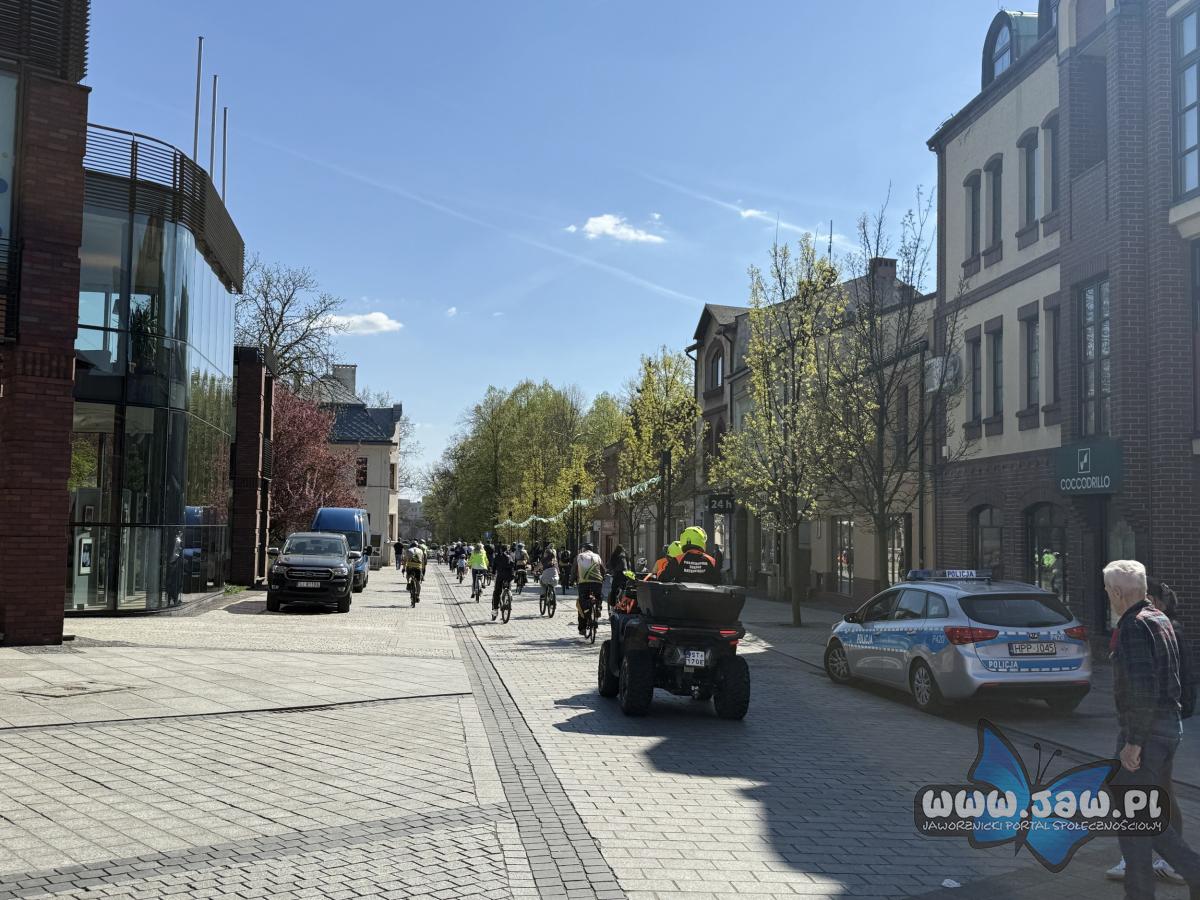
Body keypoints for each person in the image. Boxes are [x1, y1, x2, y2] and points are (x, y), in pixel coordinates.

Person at [1102, 559, 1200, 899]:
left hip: (1148, 732)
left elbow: (1142, 688)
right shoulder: (1159, 618)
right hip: (1168, 728)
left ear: (1117, 592)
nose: (1108, 597)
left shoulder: (1133, 625)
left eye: (1107, 591)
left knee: (1133, 812)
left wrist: (1133, 742)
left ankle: (1187, 871)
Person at [573, 542, 606, 636]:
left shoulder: (579, 556)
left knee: (581, 604)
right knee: (599, 596)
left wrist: (572, 580)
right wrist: (603, 578)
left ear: (583, 549)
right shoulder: (597, 556)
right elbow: (603, 569)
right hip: (597, 582)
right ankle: (598, 607)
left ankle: (582, 628)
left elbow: (574, 569)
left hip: (583, 583)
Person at [491, 542, 515, 620]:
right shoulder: (510, 556)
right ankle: (509, 599)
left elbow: (494, 566)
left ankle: (495, 610)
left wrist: (493, 573)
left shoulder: (498, 557)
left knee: (497, 592)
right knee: (508, 587)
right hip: (509, 576)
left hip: (500, 576)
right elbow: (513, 565)